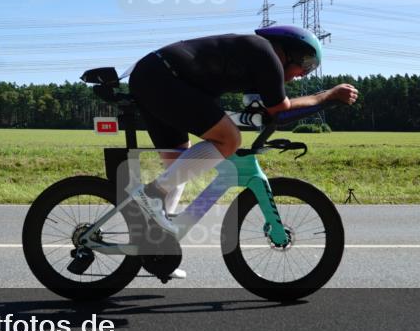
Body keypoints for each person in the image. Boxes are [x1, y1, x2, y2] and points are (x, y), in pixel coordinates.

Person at [128, 25, 359, 238]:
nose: (303, 74)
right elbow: (281, 112)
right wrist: (327, 96)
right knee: (229, 139)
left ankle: (156, 242)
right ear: (293, 52)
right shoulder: (267, 56)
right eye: (307, 65)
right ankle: (151, 195)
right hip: (162, 79)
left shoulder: (256, 55)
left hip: (153, 76)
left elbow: (265, 111)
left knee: (179, 165)